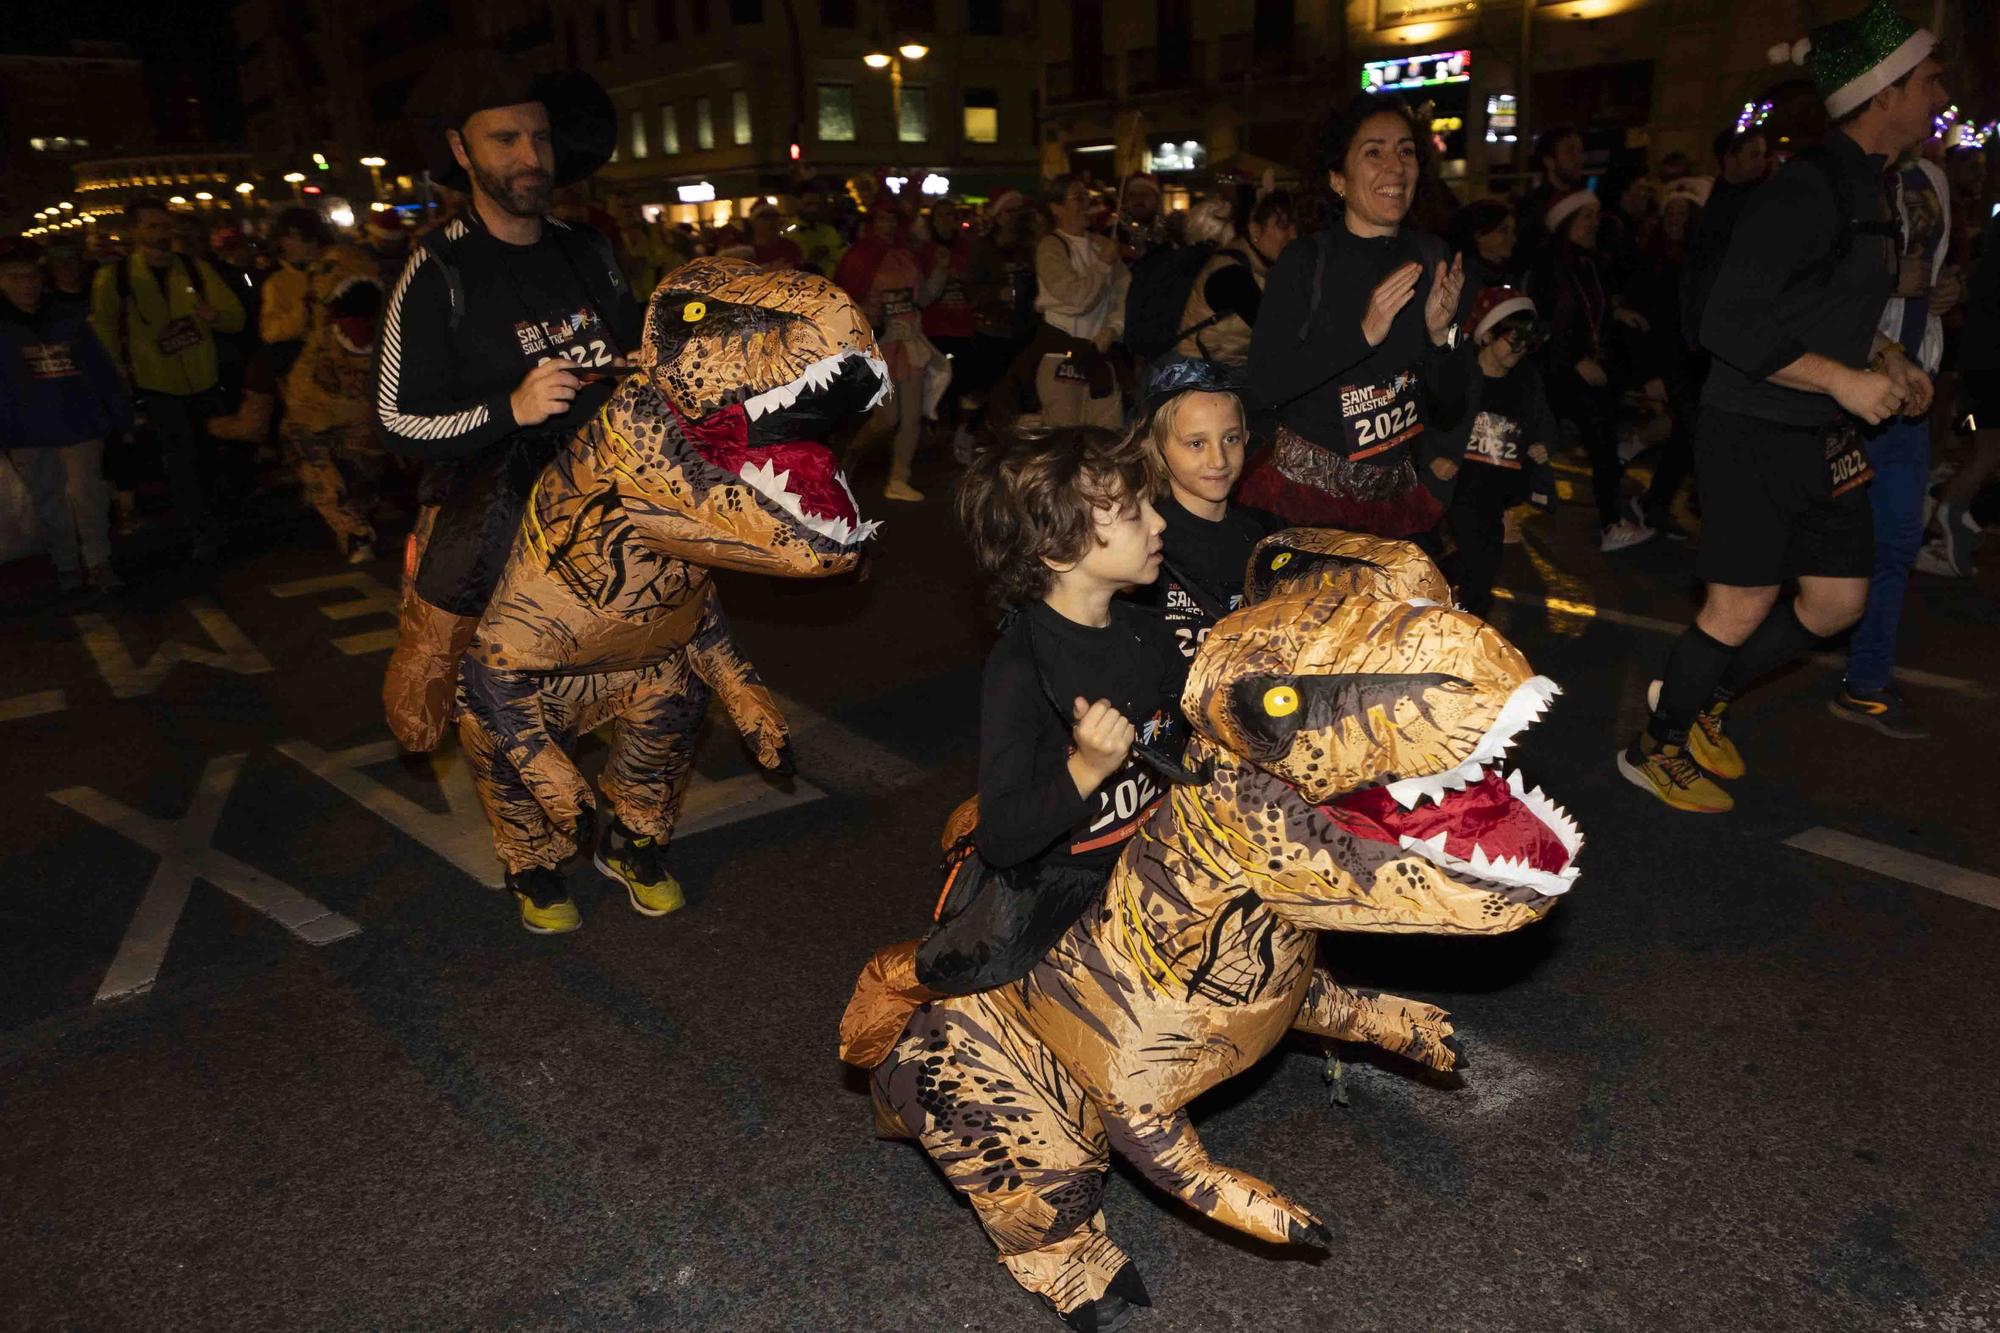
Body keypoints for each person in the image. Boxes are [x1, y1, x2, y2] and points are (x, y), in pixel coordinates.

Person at [1619, 0, 1946, 814]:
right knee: (1740, 606)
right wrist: (1841, 379)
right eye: (1929, 80)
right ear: (1884, 92)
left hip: (1823, 433)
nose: (1941, 94)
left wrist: (1888, 358)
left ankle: (1703, 701)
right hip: (1752, 428)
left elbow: (1826, 308)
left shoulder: (1874, 184)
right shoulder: (1805, 188)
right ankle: (1654, 743)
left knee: (1838, 603)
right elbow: (1724, 322)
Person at [372, 49, 640, 874]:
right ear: (461, 150)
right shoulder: (439, 269)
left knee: (659, 670)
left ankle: (634, 831)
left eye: (539, 137)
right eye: (504, 140)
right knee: (502, 699)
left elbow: (634, 355)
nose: (529, 158)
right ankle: (528, 856)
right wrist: (509, 410)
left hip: (604, 496)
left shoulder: (589, 249)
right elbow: (395, 420)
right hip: (492, 506)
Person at [838, 424, 1186, 1048]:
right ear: (1057, 552)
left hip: (1151, 857)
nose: (1159, 523)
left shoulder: (1148, 632)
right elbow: (1003, 837)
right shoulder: (1022, 670)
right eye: (1134, 514)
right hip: (1066, 888)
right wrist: (1087, 768)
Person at [1241, 93, 1472, 541]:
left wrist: (1443, 337)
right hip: (1304, 500)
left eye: (1406, 151)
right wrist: (1362, 334)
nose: (1396, 166)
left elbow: (1448, 407)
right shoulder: (1305, 260)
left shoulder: (1433, 256)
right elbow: (1263, 385)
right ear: (1338, 179)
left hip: (1395, 502)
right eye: (1374, 152)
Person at [1834, 145, 1958, 737]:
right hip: (1843, 392)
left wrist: (1943, 293)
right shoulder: (1836, 178)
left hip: (1911, 389)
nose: (1939, 100)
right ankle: (1713, 683)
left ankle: (1866, 682)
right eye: (1926, 81)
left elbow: (1930, 274)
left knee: (1897, 544)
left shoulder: (1932, 177)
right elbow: (1806, 289)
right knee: (1805, 551)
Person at [89, 195, 246, 560]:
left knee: (211, 456)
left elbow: (235, 318)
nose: (162, 232)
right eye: (152, 226)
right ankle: (201, 530)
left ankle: (218, 521)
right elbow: (104, 331)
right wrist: (119, 375)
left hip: (205, 381)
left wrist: (214, 317)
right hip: (159, 386)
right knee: (180, 461)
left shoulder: (195, 270)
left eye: (165, 225)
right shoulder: (116, 278)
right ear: (135, 231)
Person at [0, 239, 131, 596]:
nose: (24, 285)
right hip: (27, 430)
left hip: (79, 421)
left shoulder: (65, 317)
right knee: (48, 500)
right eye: (14, 277)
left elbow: (99, 366)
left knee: (87, 495)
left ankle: (98, 562)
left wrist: (119, 411)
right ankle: (67, 565)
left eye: (30, 277)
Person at [1530, 188, 1655, 550]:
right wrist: (1574, 359)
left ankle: (1611, 520)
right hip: (1563, 372)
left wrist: (1616, 314)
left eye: (1595, 216)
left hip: (1589, 370)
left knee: (1597, 445)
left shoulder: (1588, 263)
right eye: (1586, 216)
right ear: (1567, 222)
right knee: (1549, 441)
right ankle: (1611, 523)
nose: (1594, 223)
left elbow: (1588, 310)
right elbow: (1545, 321)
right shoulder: (1550, 267)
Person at [1128, 357, 1270, 657]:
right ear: (1156, 447)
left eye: (1230, 439)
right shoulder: (1143, 545)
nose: (1218, 460)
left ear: (1246, 439)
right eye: (1196, 443)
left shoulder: (1259, 537)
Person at [1437, 287, 1557, 618]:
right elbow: (1430, 418)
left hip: (1497, 492)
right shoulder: (1460, 372)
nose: (1519, 350)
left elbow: (1544, 421)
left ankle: (1447, 591)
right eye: (1512, 338)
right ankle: (1463, 626)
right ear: (1488, 334)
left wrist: (1542, 446)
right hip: (1458, 486)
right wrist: (1434, 457)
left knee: (1483, 563)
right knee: (1480, 565)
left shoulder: (1526, 379)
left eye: (1527, 343)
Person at [835, 193, 942, 501]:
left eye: (892, 219)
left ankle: (899, 478)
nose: (888, 224)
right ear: (871, 222)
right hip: (878, 343)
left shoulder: (906, 254)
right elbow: (845, 300)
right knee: (887, 418)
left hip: (910, 342)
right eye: (882, 218)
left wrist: (940, 270)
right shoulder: (858, 256)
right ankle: (853, 450)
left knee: (911, 416)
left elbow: (922, 296)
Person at [1927, 207, 2000, 575]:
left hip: (1983, 356)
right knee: (1986, 450)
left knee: (1987, 450)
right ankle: (1958, 519)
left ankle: (1954, 520)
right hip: (1989, 360)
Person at [1171, 190, 1296, 365]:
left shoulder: (1262, 267)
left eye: (1295, 226)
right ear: (1255, 229)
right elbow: (1276, 332)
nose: (1293, 235)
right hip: (1199, 378)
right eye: (1282, 226)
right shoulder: (1230, 273)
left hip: (1225, 375)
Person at [1515, 125, 1585, 261]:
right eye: (1570, 152)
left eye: (1580, 152)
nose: (1578, 160)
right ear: (1549, 161)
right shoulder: (1534, 206)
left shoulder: (1586, 199)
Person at [1449, 198, 1519, 299]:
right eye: (1503, 231)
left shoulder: (1513, 274)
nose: (1513, 239)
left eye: (1513, 231)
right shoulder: (1463, 281)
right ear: (1479, 235)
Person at [785, 185, 847, 278]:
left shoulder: (829, 231)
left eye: (816, 204)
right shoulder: (787, 232)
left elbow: (843, 258)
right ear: (798, 204)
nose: (813, 209)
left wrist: (828, 251)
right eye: (808, 204)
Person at [746, 199, 804, 271]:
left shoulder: (790, 247)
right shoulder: (744, 253)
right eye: (765, 217)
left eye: (775, 216)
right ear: (753, 222)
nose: (772, 221)